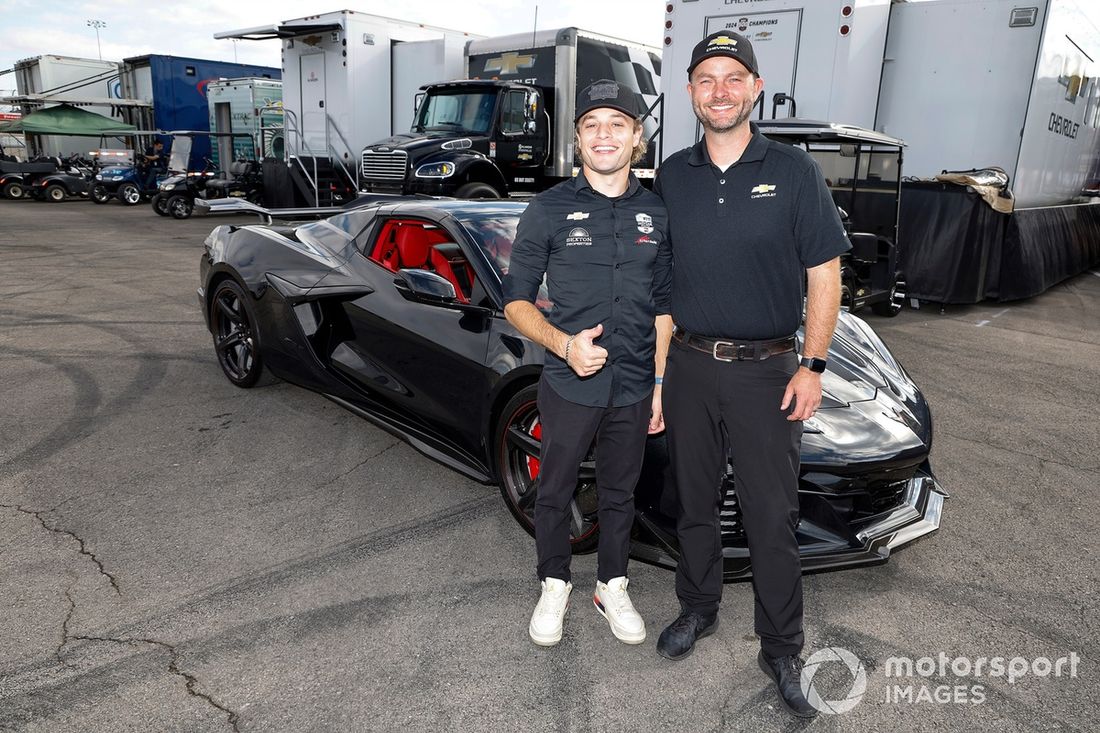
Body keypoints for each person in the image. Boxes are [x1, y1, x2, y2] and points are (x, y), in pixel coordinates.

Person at [652, 31, 850, 718]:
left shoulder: (794, 172)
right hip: (688, 366)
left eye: (734, 77)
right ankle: (697, 607)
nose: (720, 91)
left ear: (756, 89)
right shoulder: (672, 175)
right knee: (693, 502)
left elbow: (824, 273)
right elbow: (661, 289)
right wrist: (658, 380)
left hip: (768, 373)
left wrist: (813, 365)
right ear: (690, 92)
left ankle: (782, 646)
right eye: (706, 79)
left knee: (771, 515)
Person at [502, 79, 673, 648]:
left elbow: (664, 307)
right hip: (568, 384)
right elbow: (515, 301)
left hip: (634, 385)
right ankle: (554, 582)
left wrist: (658, 383)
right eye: (591, 125)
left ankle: (611, 584)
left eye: (617, 124)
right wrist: (564, 346)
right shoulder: (548, 209)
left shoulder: (657, 212)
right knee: (554, 490)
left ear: (636, 136)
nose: (604, 135)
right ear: (577, 139)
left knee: (620, 493)